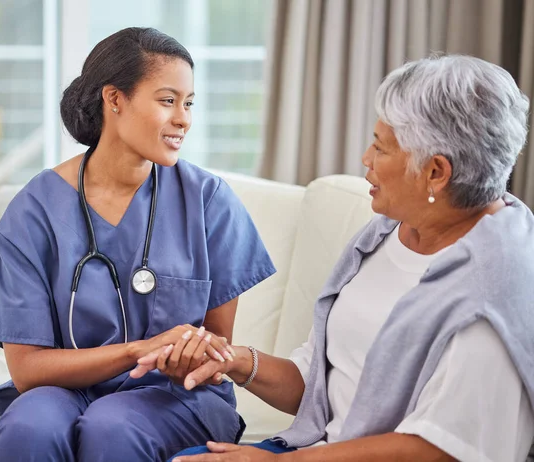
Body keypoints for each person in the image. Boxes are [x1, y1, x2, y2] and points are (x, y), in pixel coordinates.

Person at [161, 55, 534, 461]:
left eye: (381, 147)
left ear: (436, 172)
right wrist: (231, 358)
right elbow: (321, 386)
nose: (366, 160)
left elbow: (441, 450)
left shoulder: (498, 291)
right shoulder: (386, 233)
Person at [0, 27, 276, 462]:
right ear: (114, 99)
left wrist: (190, 355)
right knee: (28, 427)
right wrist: (138, 350)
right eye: (168, 101)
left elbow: (214, 349)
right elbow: (27, 371)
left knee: (112, 426)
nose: (183, 119)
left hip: (175, 396)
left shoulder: (208, 201)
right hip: (62, 391)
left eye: (189, 104)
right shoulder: (35, 211)